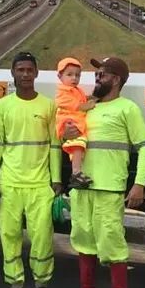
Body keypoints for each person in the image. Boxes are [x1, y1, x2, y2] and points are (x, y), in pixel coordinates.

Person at [59, 57, 145, 288]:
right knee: (83, 239)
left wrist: (139, 184)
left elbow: (144, 146)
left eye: (103, 74)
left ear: (117, 79)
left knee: (111, 242)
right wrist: (66, 132)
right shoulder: (87, 107)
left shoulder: (127, 109)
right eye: (97, 73)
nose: (97, 77)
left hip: (109, 188)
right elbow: (69, 137)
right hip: (82, 186)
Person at [0, 52, 63, 288]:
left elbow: (54, 145)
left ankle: (42, 285)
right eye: (21, 70)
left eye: (30, 70)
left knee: (42, 236)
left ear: (37, 73)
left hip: (40, 184)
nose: (25, 74)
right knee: (9, 235)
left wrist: (57, 179)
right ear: (13, 73)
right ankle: (15, 285)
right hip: (9, 183)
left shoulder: (48, 106)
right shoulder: (2, 106)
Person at [55, 57, 95, 189]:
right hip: (69, 122)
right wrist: (88, 105)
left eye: (77, 75)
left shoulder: (76, 90)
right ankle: (76, 172)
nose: (74, 78)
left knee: (77, 147)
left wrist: (90, 98)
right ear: (60, 76)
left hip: (74, 121)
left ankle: (77, 170)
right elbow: (76, 105)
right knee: (78, 145)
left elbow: (82, 100)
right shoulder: (62, 92)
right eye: (69, 74)